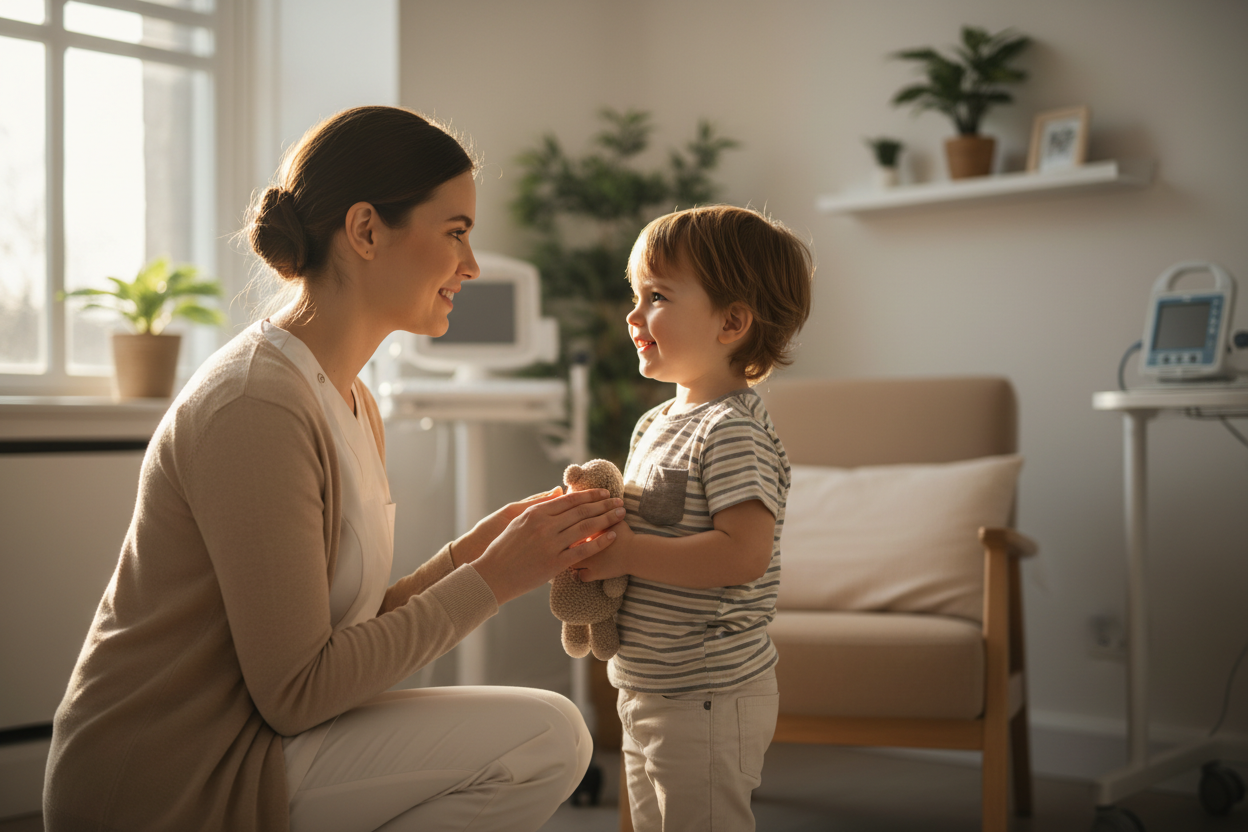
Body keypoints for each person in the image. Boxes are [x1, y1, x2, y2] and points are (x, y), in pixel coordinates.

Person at [43, 106, 624, 832]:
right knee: (547, 736)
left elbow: (337, 636)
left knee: (545, 732)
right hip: (172, 772)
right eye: (456, 232)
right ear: (366, 231)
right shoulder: (255, 405)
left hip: (256, 738)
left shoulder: (347, 397)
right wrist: (495, 578)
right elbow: (299, 689)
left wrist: (476, 554)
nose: (472, 264)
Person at [572, 205, 813, 831]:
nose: (633, 315)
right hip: (649, 682)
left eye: (656, 297)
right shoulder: (655, 424)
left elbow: (742, 554)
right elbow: (644, 527)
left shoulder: (731, 431)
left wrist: (626, 552)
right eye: (635, 295)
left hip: (709, 691)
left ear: (731, 322)